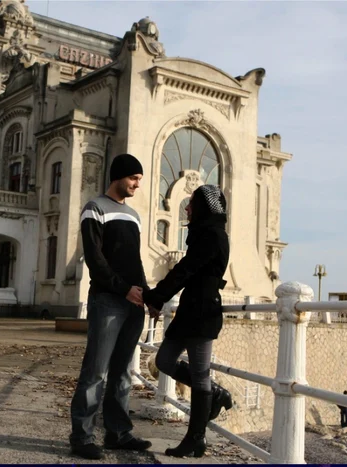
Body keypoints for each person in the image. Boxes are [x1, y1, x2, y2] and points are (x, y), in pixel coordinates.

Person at [68, 153, 152, 460]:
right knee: (96, 371)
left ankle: (118, 433)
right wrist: (122, 289)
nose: (136, 185)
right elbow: (95, 261)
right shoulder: (95, 209)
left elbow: (135, 262)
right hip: (107, 300)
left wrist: (147, 295)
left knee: (123, 373)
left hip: (133, 302)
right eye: (134, 178)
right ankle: (82, 436)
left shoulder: (133, 216)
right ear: (118, 176)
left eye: (139, 180)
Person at [142, 185, 232, 458]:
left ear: (203, 207)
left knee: (200, 376)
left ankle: (195, 438)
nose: (186, 207)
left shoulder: (212, 236)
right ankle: (216, 394)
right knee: (164, 361)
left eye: (191, 203)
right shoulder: (202, 234)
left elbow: (185, 270)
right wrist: (158, 297)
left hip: (203, 312)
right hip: (189, 310)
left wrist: (156, 297)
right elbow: (185, 272)